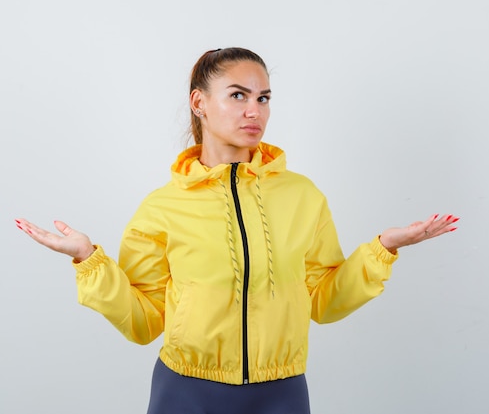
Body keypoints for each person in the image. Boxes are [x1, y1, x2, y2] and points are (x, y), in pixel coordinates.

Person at [15, 47, 459, 414]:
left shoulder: (302, 196)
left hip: (281, 393)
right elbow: (143, 321)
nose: (254, 110)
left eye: (264, 98)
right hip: (186, 393)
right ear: (199, 103)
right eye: (238, 95)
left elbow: (323, 301)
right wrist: (87, 258)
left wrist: (382, 249)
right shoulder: (161, 208)